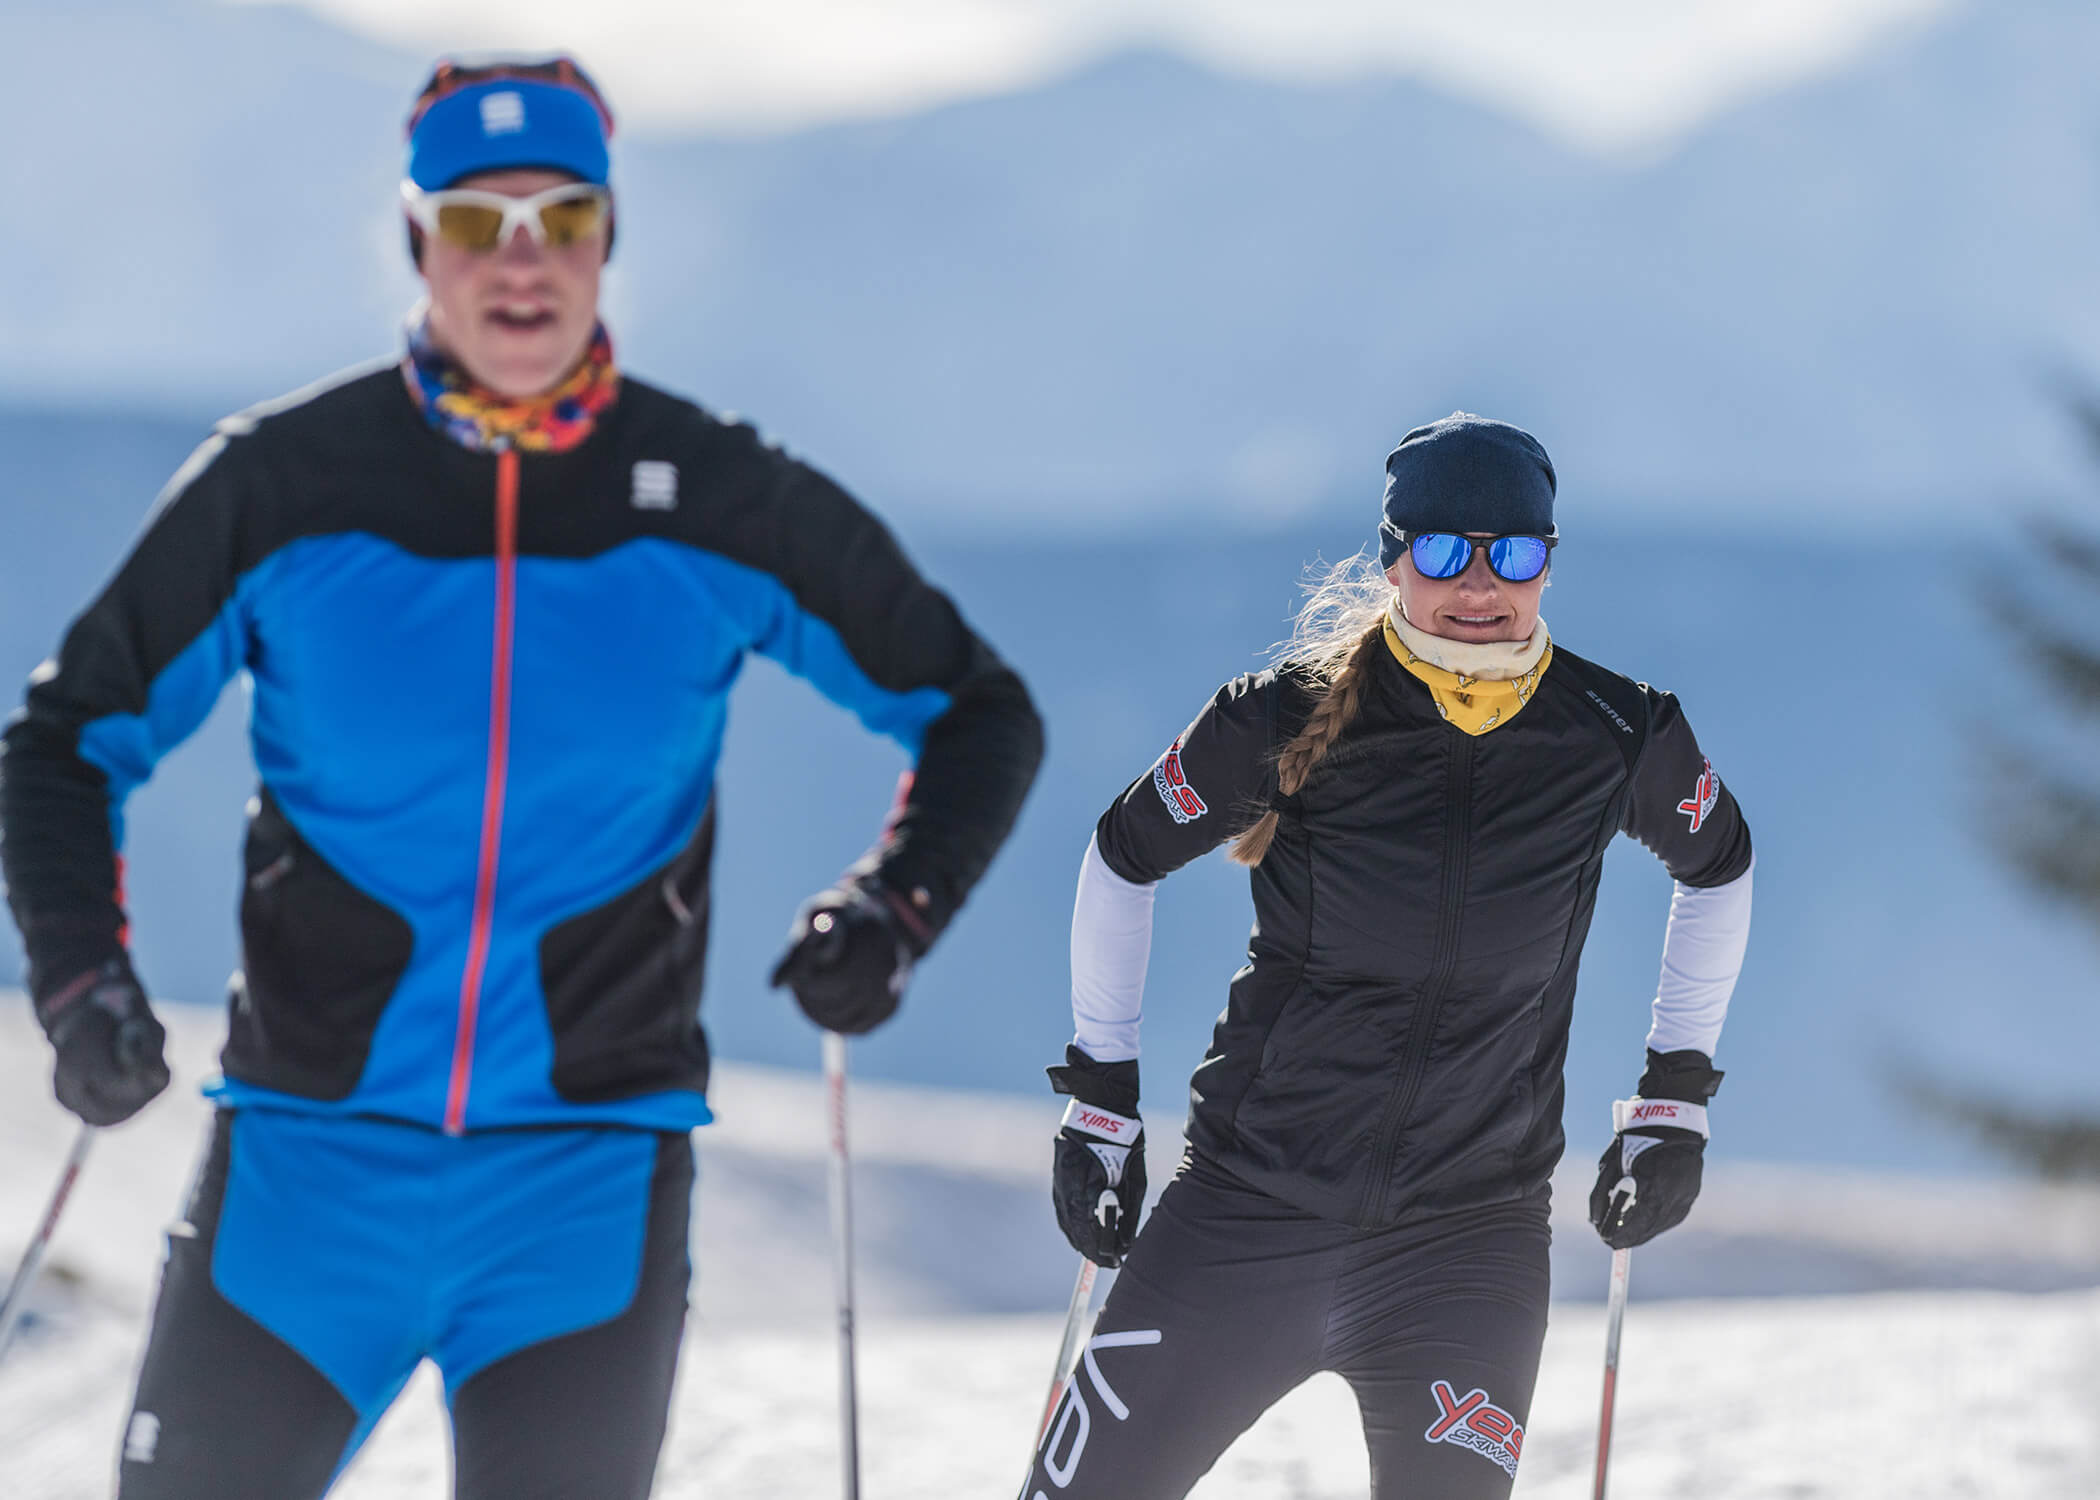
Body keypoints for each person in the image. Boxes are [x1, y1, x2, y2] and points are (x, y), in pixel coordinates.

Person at [0, 55, 1041, 1499]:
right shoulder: (286, 483)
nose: (525, 260)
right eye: (480, 222)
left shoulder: (719, 493)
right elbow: (69, 736)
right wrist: (78, 981)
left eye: (564, 216)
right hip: (307, 1177)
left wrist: (896, 910)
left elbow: (977, 709)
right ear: (419, 241)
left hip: (584, 1192)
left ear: (610, 237)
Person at [1027, 413, 1752, 1498]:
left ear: (1547, 561)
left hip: (1466, 1249)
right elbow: (1123, 858)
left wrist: (1675, 1098)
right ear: (1393, 557)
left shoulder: (1617, 732)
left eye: (1513, 553)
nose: (1479, 584)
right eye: (1445, 552)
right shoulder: (1285, 716)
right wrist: (1100, 1094)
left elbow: (1720, 867)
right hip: (1245, 1213)